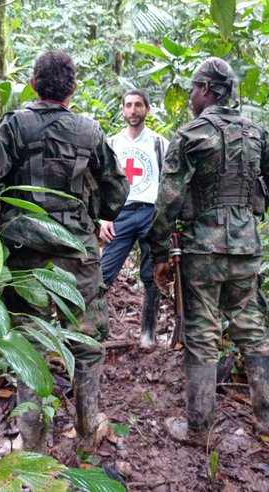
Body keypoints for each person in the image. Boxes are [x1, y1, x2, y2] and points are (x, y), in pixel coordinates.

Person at [0, 51, 129, 453]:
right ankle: (87, 424)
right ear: (73, 88)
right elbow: (116, 192)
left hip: (23, 251)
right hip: (75, 250)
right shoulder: (90, 132)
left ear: (33, 84)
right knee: (88, 339)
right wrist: (95, 213)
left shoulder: (13, 126)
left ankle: (34, 446)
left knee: (29, 346)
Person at [147, 57, 269, 444]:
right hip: (245, 248)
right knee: (252, 328)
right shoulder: (256, 133)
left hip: (202, 250)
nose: (191, 95)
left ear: (208, 90)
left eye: (193, 88)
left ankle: (198, 429)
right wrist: (248, 207)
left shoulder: (192, 134)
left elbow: (168, 197)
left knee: (201, 333)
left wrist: (159, 251)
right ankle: (267, 422)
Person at [99, 89, 169, 348]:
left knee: (151, 275)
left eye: (138, 105)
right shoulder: (113, 143)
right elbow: (100, 182)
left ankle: (147, 334)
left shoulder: (160, 144)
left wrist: (167, 222)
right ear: (123, 109)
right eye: (128, 105)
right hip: (122, 213)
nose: (133, 110)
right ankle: (96, 330)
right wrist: (102, 219)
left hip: (151, 213)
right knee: (103, 273)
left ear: (147, 109)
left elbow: (170, 185)